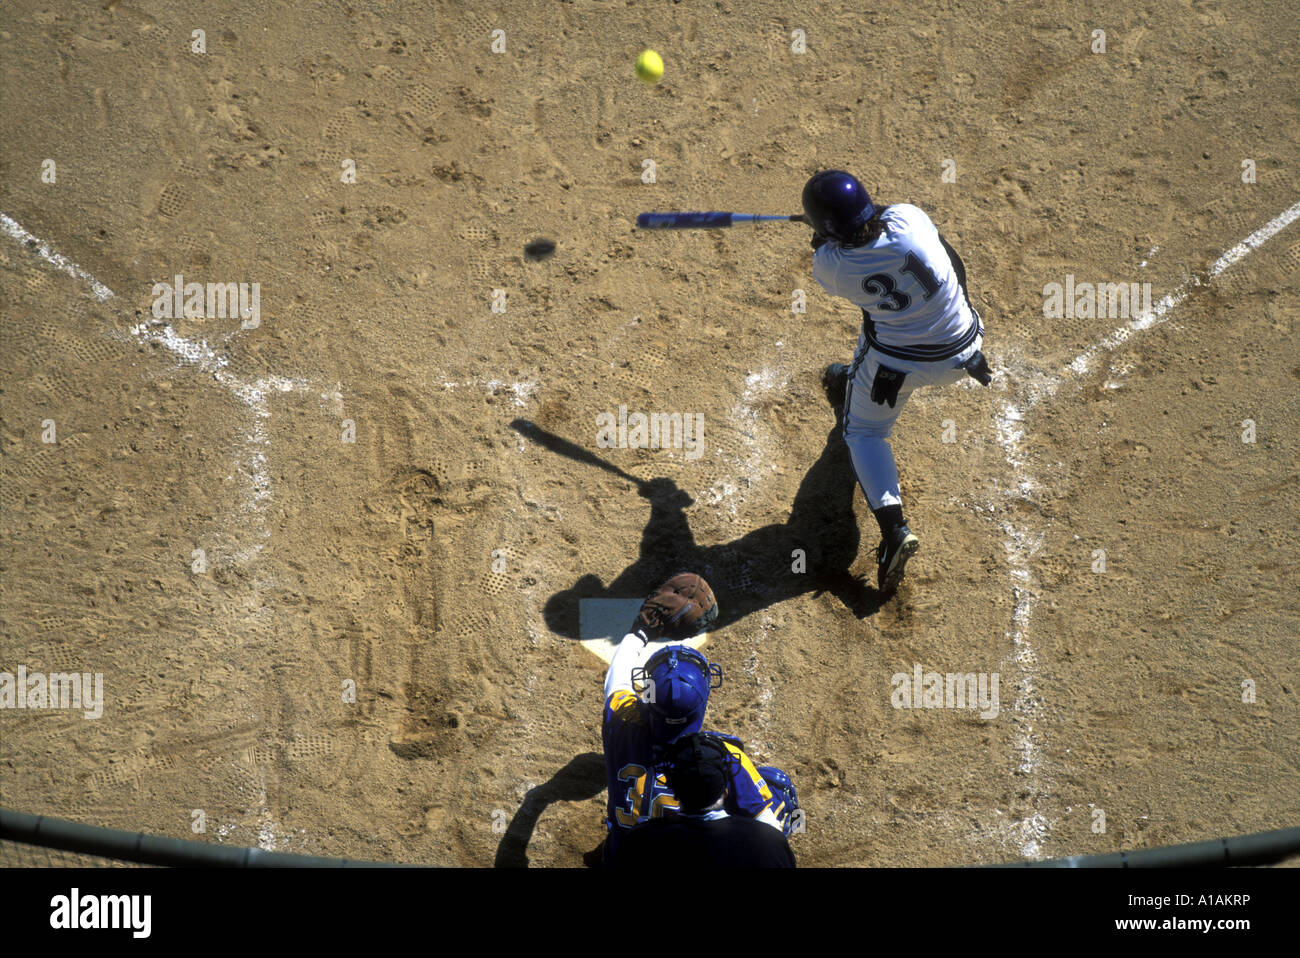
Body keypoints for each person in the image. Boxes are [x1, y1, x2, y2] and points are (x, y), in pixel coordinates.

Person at [803, 169, 994, 592]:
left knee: (865, 434)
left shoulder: (830, 268)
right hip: (964, 349)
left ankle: (894, 531)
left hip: (896, 368)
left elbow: (834, 255)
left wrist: (822, 238)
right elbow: (951, 261)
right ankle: (852, 384)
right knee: (885, 319)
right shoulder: (911, 220)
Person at [596, 573, 797, 864]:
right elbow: (771, 830)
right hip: (707, 852)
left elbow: (615, 682)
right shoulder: (723, 757)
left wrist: (640, 631)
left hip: (629, 855)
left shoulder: (622, 728)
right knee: (776, 787)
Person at [612, 733, 797, 868]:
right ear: (726, 791)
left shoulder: (639, 840)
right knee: (777, 786)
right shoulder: (769, 843)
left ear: (675, 793)